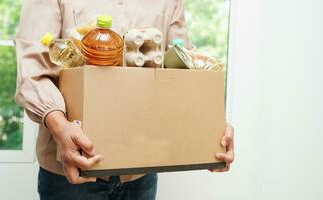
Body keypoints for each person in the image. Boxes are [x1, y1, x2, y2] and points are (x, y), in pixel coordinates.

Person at [14, 0, 235, 199]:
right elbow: (33, 69)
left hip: (141, 172)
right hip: (73, 174)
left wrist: (213, 127)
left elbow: (184, 64)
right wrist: (60, 126)